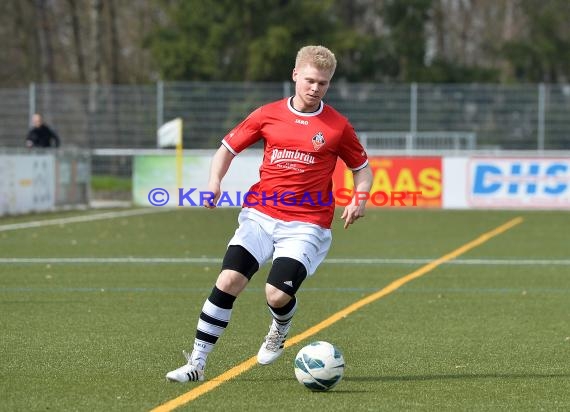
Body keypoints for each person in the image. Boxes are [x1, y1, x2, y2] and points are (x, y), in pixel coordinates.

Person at [166, 45, 373, 383]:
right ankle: (197, 364)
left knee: (276, 294)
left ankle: (280, 325)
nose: (315, 88)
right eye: (309, 80)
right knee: (229, 280)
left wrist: (358, 198)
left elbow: (362, 169)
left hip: (307, 224)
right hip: (260, 215)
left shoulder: (337, 127)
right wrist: (214, 182)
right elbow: (226, 149)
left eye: (323, 83)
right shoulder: (267, 114)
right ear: (295, 75)